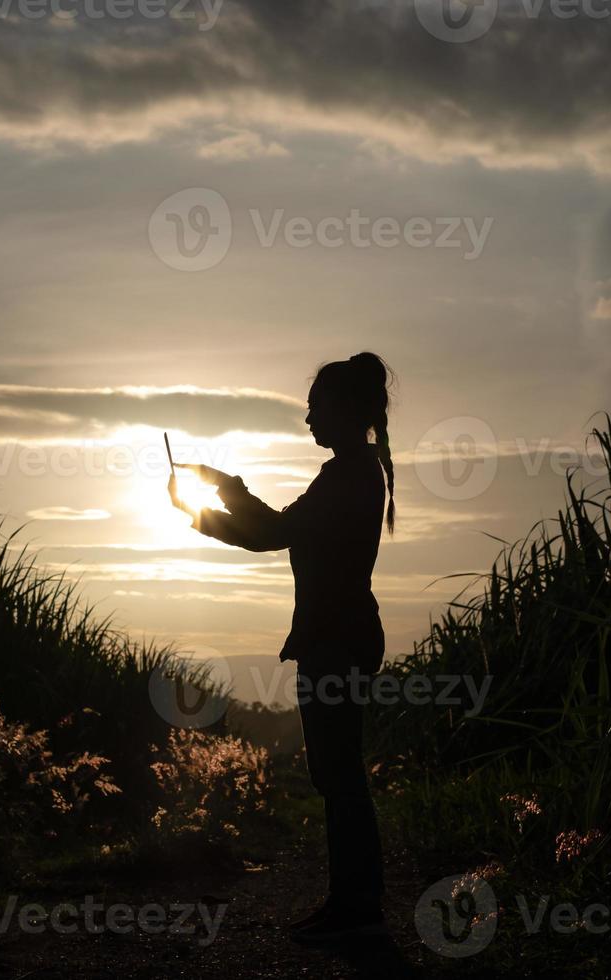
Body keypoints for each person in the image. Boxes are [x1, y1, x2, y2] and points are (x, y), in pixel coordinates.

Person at [167, 352, 396, 944]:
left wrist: (215, 495)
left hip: (335, 640)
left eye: (316, 408)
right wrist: (207, 506)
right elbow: (276, 533)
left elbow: (274, 533)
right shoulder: (355, 472)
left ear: (345, 411)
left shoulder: (348, 476)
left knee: (339, 773)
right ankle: (351, 901)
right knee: (336, 772)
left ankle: (357, 905)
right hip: (338, 637)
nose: (308, 420)